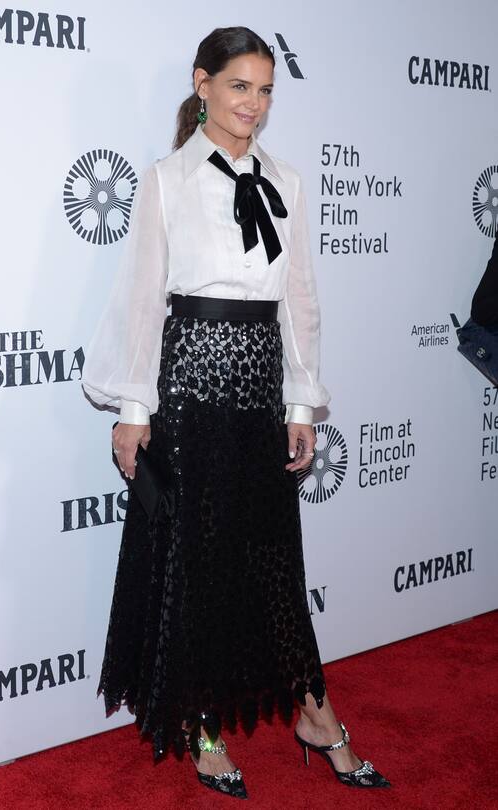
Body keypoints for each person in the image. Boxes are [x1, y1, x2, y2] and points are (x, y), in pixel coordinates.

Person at [81, 26, 390, 800]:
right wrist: (132, 407)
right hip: (189, 390)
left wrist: (301, 401)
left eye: (266, 91)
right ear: (203, 84)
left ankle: (315, 715)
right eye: (240, 86)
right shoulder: (165, 179)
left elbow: (302, 302)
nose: (254, 104)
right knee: (201, 564)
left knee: (274, 563)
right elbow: (144, 301)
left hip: (259, 395)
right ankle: (204, 721)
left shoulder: (287, 178)